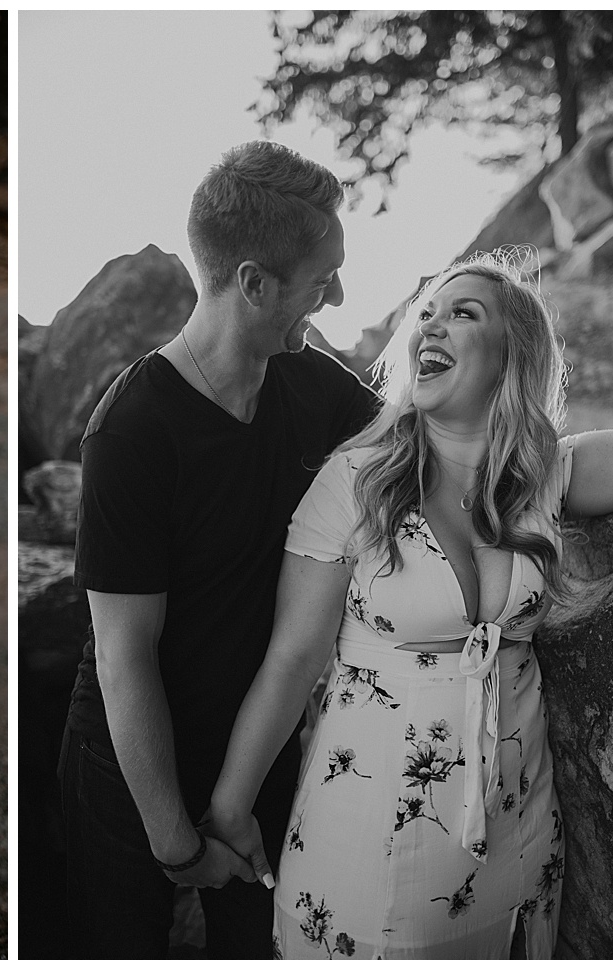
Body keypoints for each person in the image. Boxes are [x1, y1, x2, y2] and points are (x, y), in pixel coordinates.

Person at [206, 248, 613, 959]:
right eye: (426, 316)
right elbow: (291, 662)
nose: (429, 330)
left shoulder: (544, 475)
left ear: (511, 355)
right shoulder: (355, 482)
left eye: (462, 314)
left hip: (519, 825)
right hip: (369, 830)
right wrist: (229, 807)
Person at [61, 141, 381, 958]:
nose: (337, 296)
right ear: (253, 283)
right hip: (132, 773)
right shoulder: (131, 432)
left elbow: (440, 443)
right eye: (323, 277)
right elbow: (122, 660)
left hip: (260, 752)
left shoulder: (315, 385)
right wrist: (175, 844)